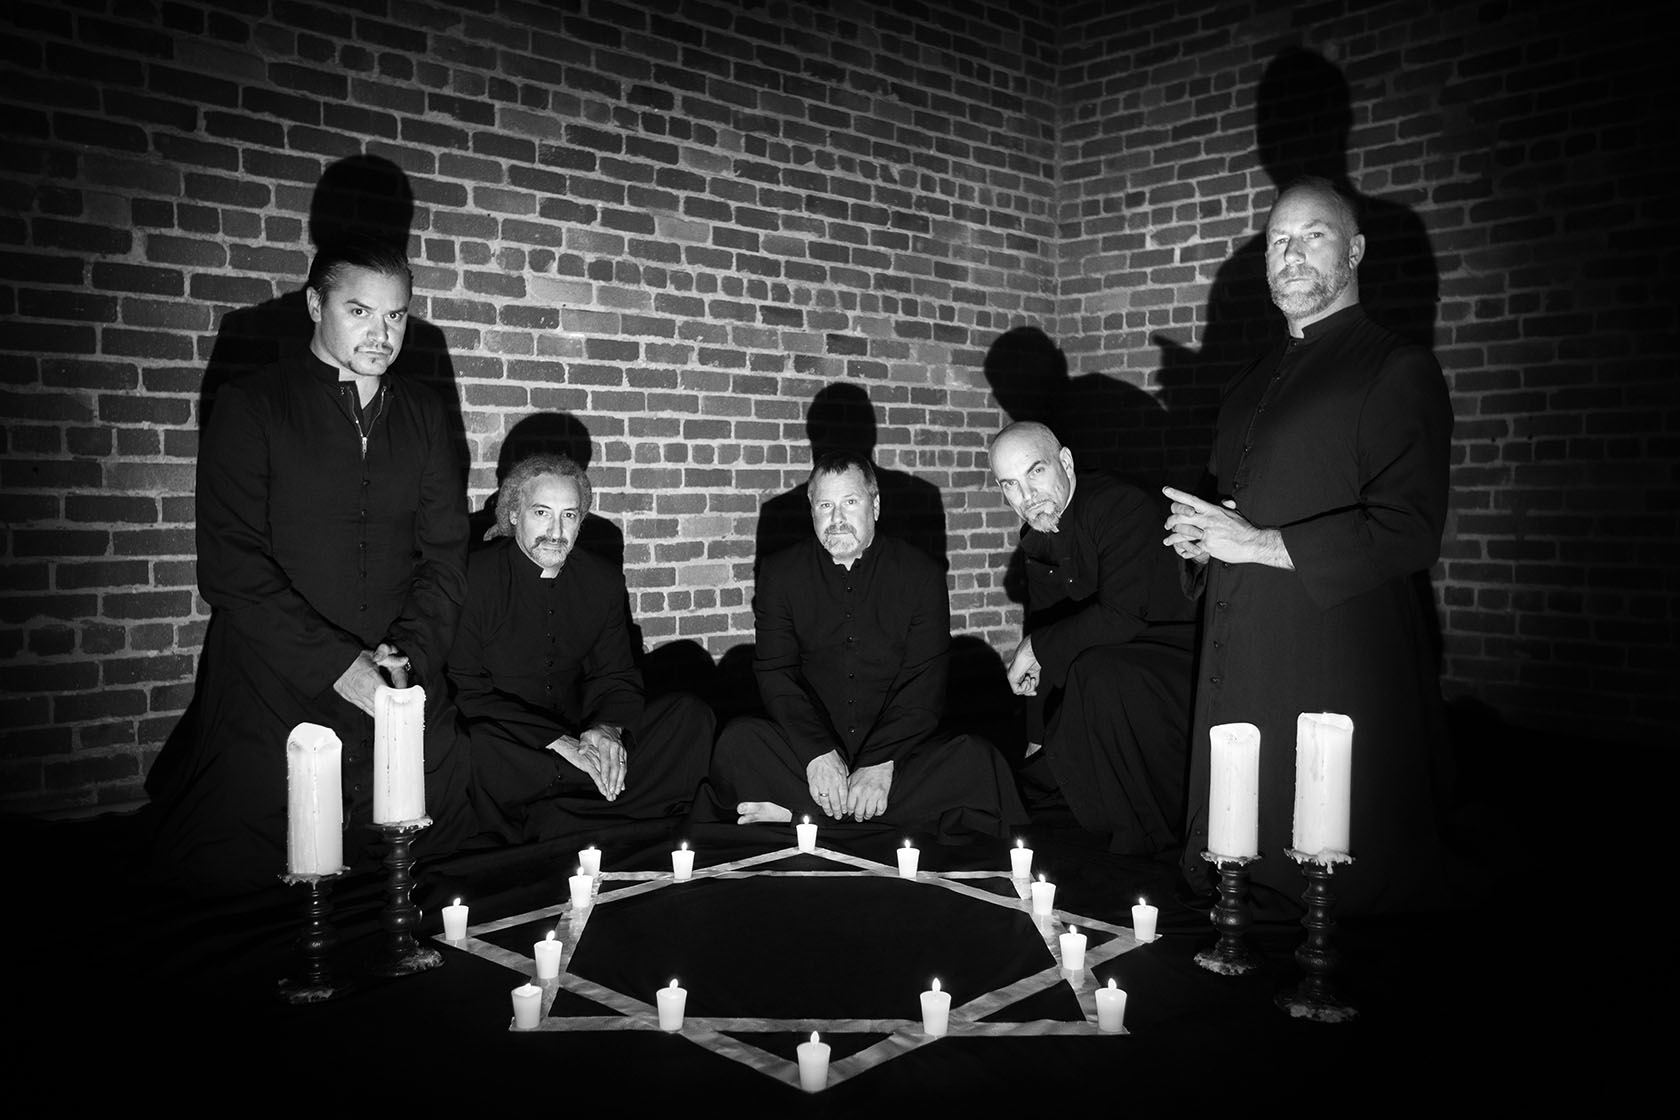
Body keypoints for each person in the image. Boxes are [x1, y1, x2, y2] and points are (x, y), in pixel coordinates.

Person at [141, 235, 474, 895]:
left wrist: (407, 659)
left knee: (417, 875)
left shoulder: (424, 412)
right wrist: (338, 667)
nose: (382, 334)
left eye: (396, 315)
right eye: (360, 311)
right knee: (250, 884)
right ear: (316, 304)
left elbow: (444, 556)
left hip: (396, 678)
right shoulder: (253, 403)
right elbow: (230, 566)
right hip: (273, 681)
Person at [1163, 176, 1454, 917]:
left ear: (1354, 251)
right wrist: (1200, 542)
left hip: (1332, 650)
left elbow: (1410, 528)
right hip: (1242, 643)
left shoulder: (1395, 366)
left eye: (1313, 236)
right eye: (1278, 241)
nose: (1291, 254)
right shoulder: (1247, 382)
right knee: (1238, 851)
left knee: (1325, 876)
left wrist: (1258, 544)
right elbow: (1232, 513)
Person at [700, 450, 1026, 840]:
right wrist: (816, 753)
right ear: (812, 511)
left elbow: (925, 683)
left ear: (875, 506)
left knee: (976, 761)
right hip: (809, 751)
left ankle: (800, 812)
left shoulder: (920, 574)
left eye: (850, 502)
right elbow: (776, 673)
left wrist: (880, 762)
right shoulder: (781, 573)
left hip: (897, 756)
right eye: (825, 506)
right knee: (738, 743)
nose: (837, 518)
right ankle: (863, 815)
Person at [446, 453, 714, 843]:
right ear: (514, 514)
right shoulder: (475, 576)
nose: (556, 531)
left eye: (569, 515)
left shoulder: (601, 579)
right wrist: (560, 743)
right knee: (476, 748)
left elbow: (616, 675)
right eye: (542, 512)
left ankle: (566, 814)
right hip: (514, 744)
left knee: (688, 715)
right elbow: (466, 689)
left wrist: (606, 729)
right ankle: (591, 811)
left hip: (583, 738)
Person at [988, 421, 1197, 853]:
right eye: (1010, 484)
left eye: (1036, 472)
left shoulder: (1119, 505)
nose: (1027, 495)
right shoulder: (1038, 531)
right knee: (1030, 783)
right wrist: (1036, 738)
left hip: (1176, 659)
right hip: (1108, 664)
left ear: (1065, 462)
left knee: (1094, 672)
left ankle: (1149, 838)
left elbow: (1122, 617)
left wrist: (1038, 648)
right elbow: (1045, 630)